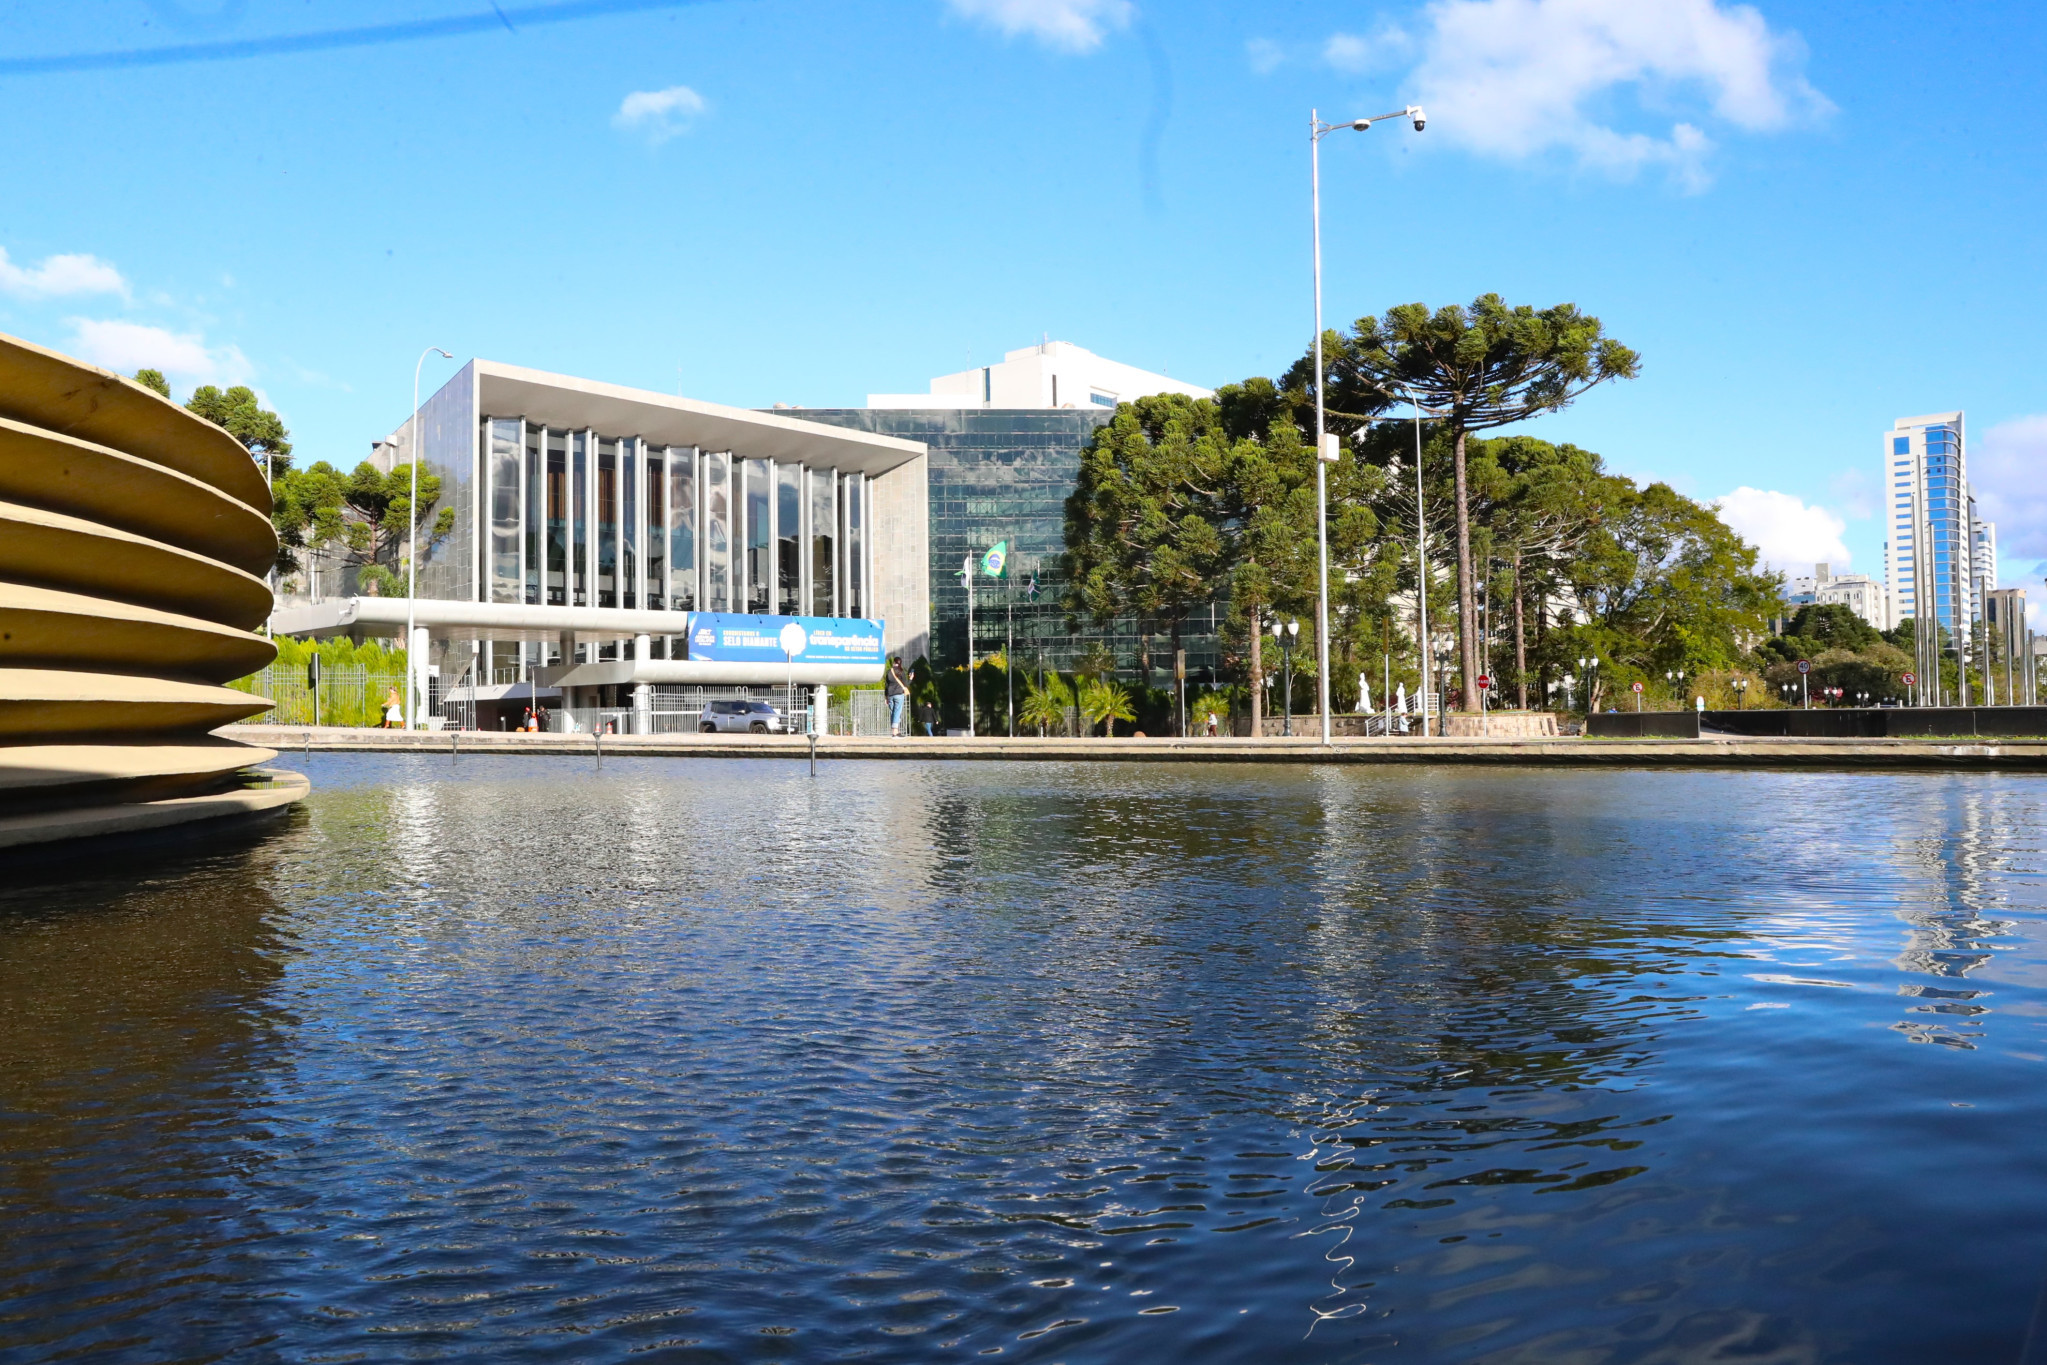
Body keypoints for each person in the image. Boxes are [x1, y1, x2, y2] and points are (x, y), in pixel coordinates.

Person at [885, 656, 909, 737]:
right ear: (900, 663)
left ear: (893, 663)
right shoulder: (901, 671)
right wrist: (911, 679)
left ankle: (895, 732)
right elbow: (905, 684)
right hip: (899, 693)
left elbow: (886, 685)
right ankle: (895, 732)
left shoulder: (889, 671)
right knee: (897, 712)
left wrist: (886, 697)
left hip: (890, 694)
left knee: (893, 712)